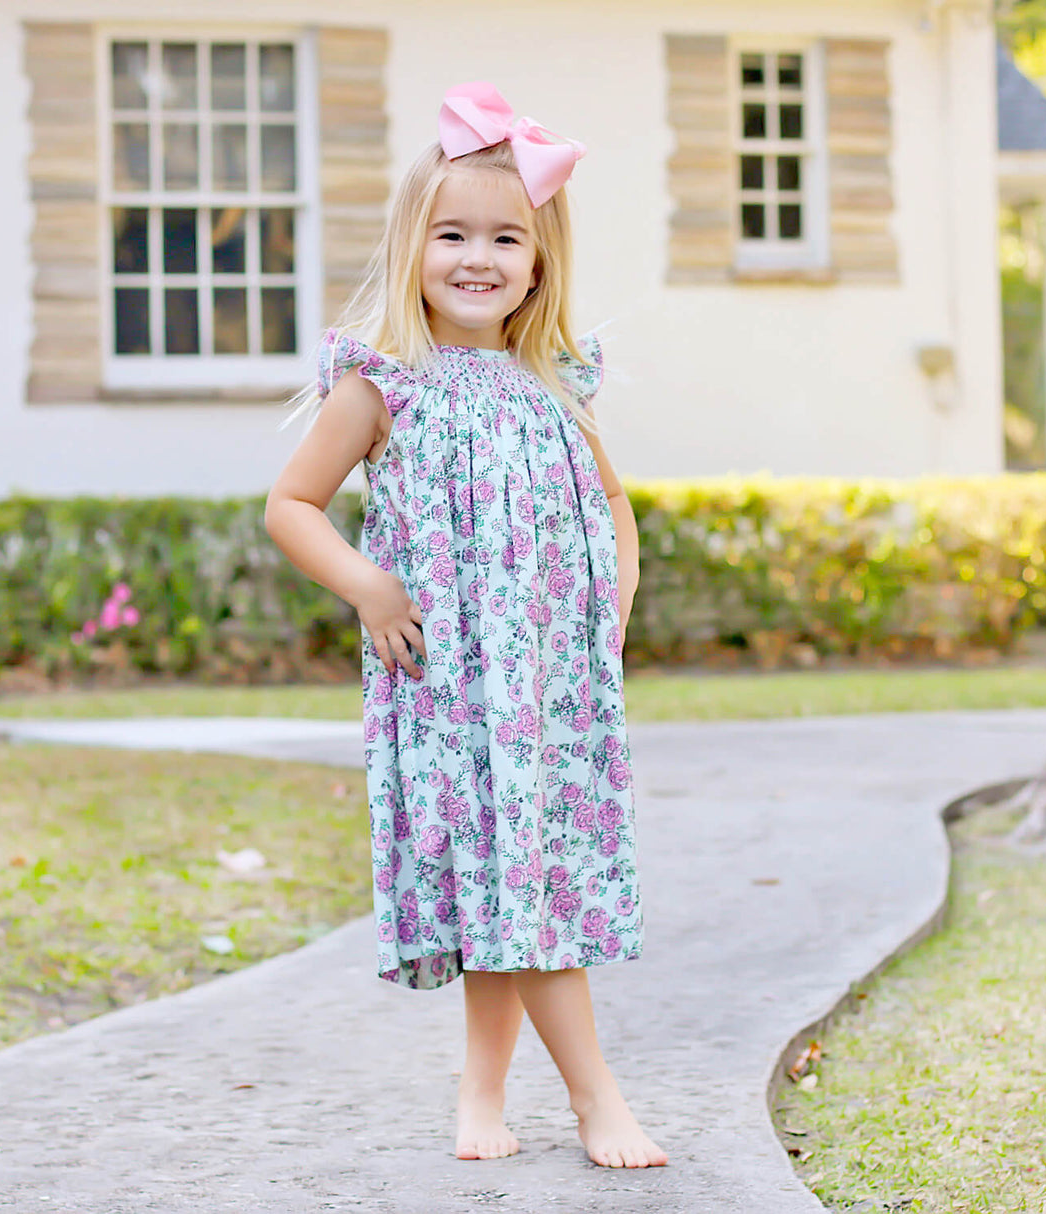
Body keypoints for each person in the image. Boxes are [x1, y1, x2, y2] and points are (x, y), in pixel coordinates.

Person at [263, 81, 666, 1170]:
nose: (476, 257)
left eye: (504, 237)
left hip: (542, 687)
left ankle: (480, 1088)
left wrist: (609, 603)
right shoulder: (385, 381)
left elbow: (610, 500)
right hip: (446, 682)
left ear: (537, 261)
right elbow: (291, 504)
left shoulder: (554, 379)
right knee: (512, 877)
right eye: (451, 234)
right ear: (411, 246)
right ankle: (597, 1098)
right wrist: (372, 587)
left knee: (514, 880)